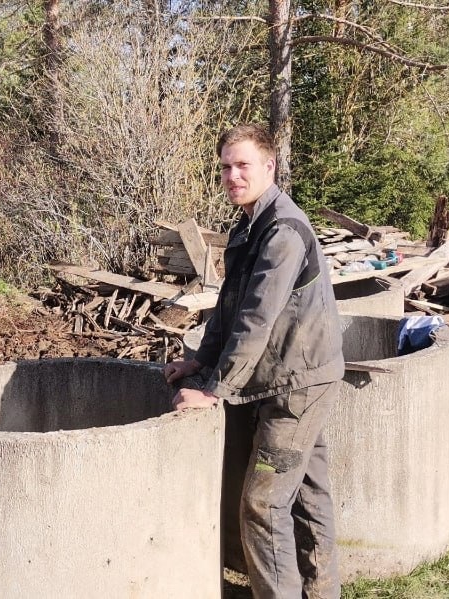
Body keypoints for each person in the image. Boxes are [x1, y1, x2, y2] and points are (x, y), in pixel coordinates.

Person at [163, 124, 344, 598]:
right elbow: (231, 304)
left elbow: (256, 320)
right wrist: (199, 361)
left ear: (270, 166)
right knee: (306, 494)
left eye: (243, 165)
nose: (232, 175)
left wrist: (212, 389)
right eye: (225, 166)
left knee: (262, 506)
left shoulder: (283, 231)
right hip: (295, 375)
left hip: (295, 387)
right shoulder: (251, 224)